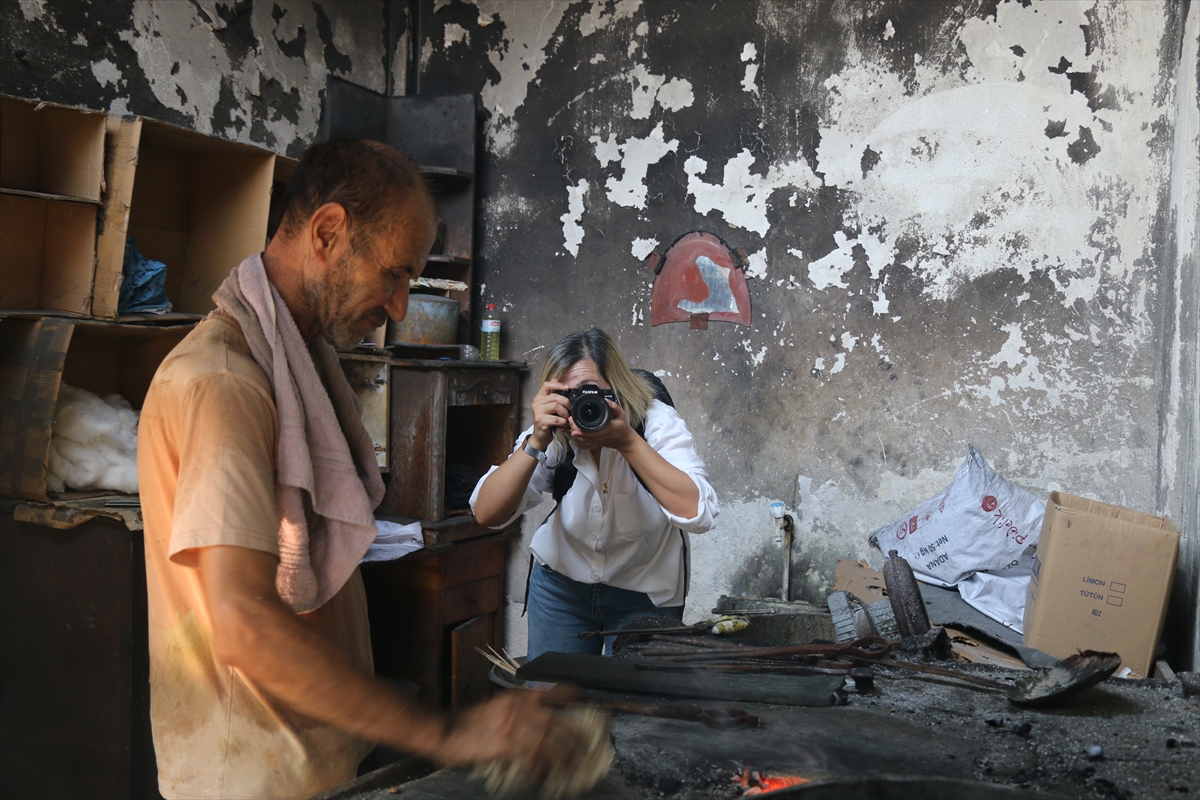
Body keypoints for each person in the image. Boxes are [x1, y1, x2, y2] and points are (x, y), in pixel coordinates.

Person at [137, 139, 581, 800]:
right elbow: (242, 623)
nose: (400, 306)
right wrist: (450, 736)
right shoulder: (224, 384)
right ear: (327, 234)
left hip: (308, 768)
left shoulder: (292, 363)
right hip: (247, 778)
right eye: (395, 274)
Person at [471, 329, 719, 659]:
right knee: (553, 706)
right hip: (561, 589)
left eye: (593, 394)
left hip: (644, 593)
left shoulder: (655, 422)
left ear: (617, 388)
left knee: (639, 706)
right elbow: (487, 514)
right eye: (568, 396)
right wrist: (536, 441)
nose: (582, 409)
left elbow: (699, 514)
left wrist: (627, 441)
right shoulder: (552, 432)